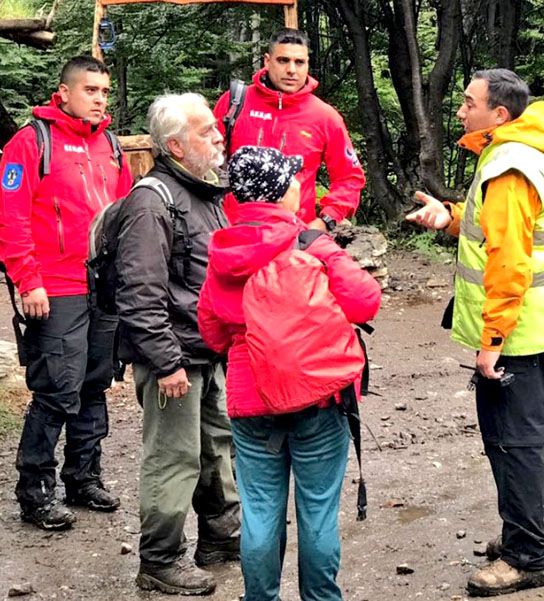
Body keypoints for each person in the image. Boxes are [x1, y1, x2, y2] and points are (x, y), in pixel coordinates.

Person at [406, 69, 544, 596]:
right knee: (529, 442)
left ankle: (529, 556)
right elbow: (505, 224)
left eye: (469, 103)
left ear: (499, 114)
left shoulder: (509, 166)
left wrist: (492, 342)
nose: (461, 112)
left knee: (514, 445)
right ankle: (536, 536)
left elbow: (509, 261)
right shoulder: (530, 145)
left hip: (522, 334)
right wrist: (450, 218)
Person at [198, 145, 381, 600]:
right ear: (281, 192)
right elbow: (365, 300)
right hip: (320, 395)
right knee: (316, 511)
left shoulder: (224, 252)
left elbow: (211, 332)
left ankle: (261, 597)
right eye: (294, 180)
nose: (300, 185)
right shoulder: (311, 244)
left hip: (250, 398)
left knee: (260, 512)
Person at [114, 93, 240, 595]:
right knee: (173, 458)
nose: (217, 136)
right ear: (175, 145)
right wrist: (167, 363)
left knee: (216, 449)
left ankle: (221, 539)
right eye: (206, 131)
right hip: (173, 360)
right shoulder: (152, 201)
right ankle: (160, 561)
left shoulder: (204, 193)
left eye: (215, 128)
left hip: (206, 353)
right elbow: (139, 294)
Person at [0, 55, 132, 531]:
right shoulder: (30, 143)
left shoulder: (112, 146)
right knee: (57, 390)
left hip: (103, 287)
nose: (99, 99)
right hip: (54, 287)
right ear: (64, 92)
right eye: (90, 90)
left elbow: (124, 215)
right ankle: (34, 492)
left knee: (95, 383)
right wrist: (27, 278)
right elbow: (10, 217)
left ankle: (83, 477)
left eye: (103, 91)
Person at [213, 27, 365, 231]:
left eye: (299, 62)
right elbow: (205, 162)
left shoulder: (324, 116)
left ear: (307, 64)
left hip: (295, 237)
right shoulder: (234, 103)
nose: (292, 70)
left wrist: (325, 221)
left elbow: (349, 177)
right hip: (234, 232)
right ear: (267, 61)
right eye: (283, 60)